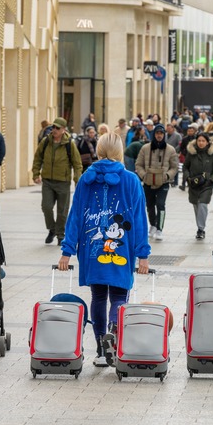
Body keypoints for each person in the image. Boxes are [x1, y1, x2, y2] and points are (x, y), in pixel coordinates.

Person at [58, 133, 150, 367]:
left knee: (98, 296)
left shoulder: (85, 180)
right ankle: (114, 329)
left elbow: (75, 216)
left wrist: (67, 251)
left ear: (98, 151)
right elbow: (139, 219)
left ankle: (100, 348)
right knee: (119, 295)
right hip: (122, 249)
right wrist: (143, 255)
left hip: (92, 248)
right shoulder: (131, 181)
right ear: (120, 152)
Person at [32, 117, 83, 245]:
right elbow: (38, 158)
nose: (54, 130)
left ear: (63, 130)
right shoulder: (45, 142)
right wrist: (35, 174)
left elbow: (77, 164)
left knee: (62, 211)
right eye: (53, 127)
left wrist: (77, 180)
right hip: (48, 181)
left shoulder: (69, 144)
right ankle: (52, 229)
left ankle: (61, 235)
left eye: (57, 128)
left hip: (63, 182)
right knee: (46, 207)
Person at [135, 123, 178, 241]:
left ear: (164, 135)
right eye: (157, 133)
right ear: (154, 134)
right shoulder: (145, 148)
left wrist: (167, 175)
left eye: (161, 133)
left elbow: (174, 167)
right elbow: (138, 164)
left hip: (163, 182)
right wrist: (144, 175)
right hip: (148, 182)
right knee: (149, 205)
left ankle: (160, 229)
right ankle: (153, 225)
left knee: (160, 204)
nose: (159, 136)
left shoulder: (170, 149)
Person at [183, 132, 213, 240]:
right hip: (193, 184)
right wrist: (187, 178)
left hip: (206, 185)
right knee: (196, 205)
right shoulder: (191, 153)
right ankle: (200, 226)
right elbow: (185, 167)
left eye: (203, 141)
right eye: (199, 140)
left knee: (202, 204)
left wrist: (212, 180)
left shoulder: (212, 153)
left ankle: (201, 229)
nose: (201, 143)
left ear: (207, 142)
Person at [177, 123, 198, 191]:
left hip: (195, 157)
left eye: (191, 131)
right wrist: (183, 153)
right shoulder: (185, 139)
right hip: (187, 157)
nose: (190, 132)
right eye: (189, 131)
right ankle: (183, 184)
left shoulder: (196, 138)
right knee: (185, 170)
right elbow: (181, 147)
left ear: (194, 131)